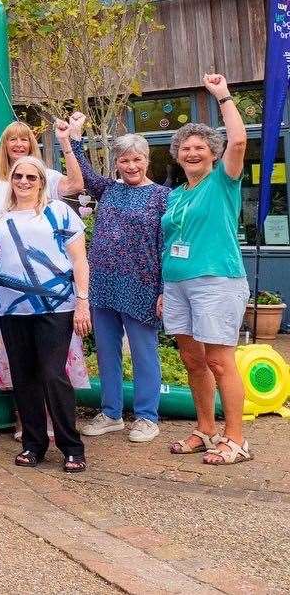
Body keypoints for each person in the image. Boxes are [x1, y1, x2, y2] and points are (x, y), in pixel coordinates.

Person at [0, 154, 91, 472]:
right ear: (12, 181)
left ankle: (72, 447)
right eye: (19, 177)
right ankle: (34, 444)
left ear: (42, 181)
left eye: (31, 177)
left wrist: (83, 300)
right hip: (11, 310)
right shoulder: (2, 221)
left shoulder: (58, 212)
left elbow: (80, 261)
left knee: (53, 375)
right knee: (24, 378)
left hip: (56, 306)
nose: (24, 182)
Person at [163, 74, 251, 466]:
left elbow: (239, 140)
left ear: (213, 153)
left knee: (219, 359)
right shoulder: (177, 195)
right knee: (193, 359)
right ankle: (206, 429)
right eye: (186, 147)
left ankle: (236, 439)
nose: (192, 152)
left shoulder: (222, 182)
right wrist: (165, 288)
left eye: (200, 147)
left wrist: (222, 96)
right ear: (177, 154)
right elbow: (170, 244)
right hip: (178, 283)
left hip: (217, 281)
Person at [66, 114, 170, 444]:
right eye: (124, 160)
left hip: (142, 284)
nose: (130, 165)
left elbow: (165, 246)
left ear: (147, 160)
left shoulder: (161, 196)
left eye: (136, 159)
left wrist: (164, 289)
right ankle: (111, 413)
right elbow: (84, 173)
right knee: (107, 351)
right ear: (118, 163)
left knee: (143, 352)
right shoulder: (109, 190)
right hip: (104, 283)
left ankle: (147, 417)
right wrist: (75, 137)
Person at [0, 120, 89, 424]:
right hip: (10, 287)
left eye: (24, 140)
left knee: (53, 363)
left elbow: (76, 184)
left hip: (52, 291)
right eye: (11, 140)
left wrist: (66, 143)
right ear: (5, 146)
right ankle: (27, 424)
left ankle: (60, 424)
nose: (18, 145)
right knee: (19, 361)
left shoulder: (46, 176)